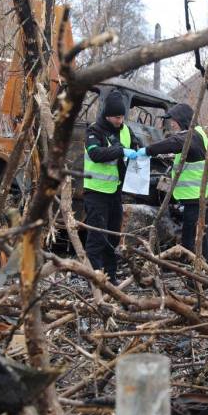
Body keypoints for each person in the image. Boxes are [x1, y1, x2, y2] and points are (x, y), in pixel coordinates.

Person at [137, 103, 208, 259]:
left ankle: (199, 280)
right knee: (194, 245)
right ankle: (198, 279)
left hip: (200, 202)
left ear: (183, 119)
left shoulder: (192, 137)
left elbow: (174, 142)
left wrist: (147, 150)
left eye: (173, 120)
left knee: (194, 247)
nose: (172, 123)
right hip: (196, 201)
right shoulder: (196, 135)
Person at [84, 90, 139, 284]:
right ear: (107, 115)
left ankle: (110, 276)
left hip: (115, 191)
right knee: (96, 236)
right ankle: (95, 277)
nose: (120, 120)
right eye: (117, 117)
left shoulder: (125, 129)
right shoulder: (94, 130)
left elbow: (134, 143)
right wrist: (120, 151)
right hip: (96, 191)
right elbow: (95, 154)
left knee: (112, 236)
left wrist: (139, 151)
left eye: (122, 116)